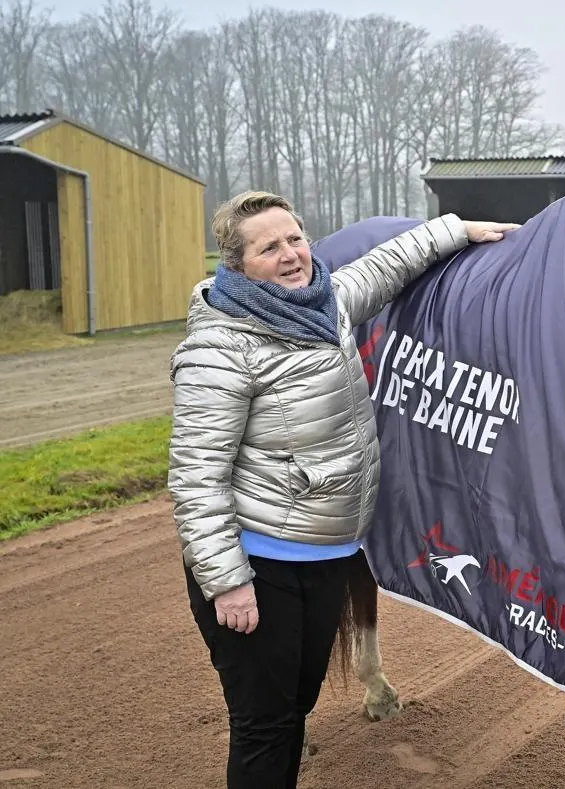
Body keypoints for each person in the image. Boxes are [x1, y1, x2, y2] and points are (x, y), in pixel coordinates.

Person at [168, 190, 518, 788]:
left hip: (327, 555)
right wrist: (227, 583)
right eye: (269, 247)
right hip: (259, 565)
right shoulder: (220, 348)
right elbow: (196, 477)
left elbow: (385, 265)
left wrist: (458, 230)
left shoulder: (324, 304)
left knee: (296, 707)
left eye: (295, 238)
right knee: (264, 726)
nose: (291, 254)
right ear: (237, 265)